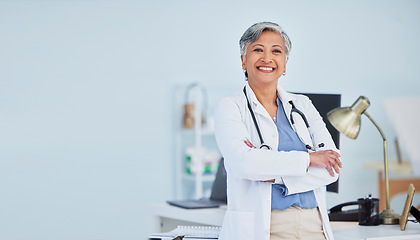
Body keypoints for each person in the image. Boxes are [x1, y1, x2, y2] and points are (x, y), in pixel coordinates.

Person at [214, 22, 342, 240]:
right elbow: (243, 163)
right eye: (257, 50)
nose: (267, 58)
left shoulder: (303, 105)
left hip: (314, 224)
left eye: (276, 51)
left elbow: (332, 167)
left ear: (285, 63)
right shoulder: (230, 106)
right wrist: (309, 159)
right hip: (265, 226)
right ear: (243, 61)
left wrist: (274, 175)